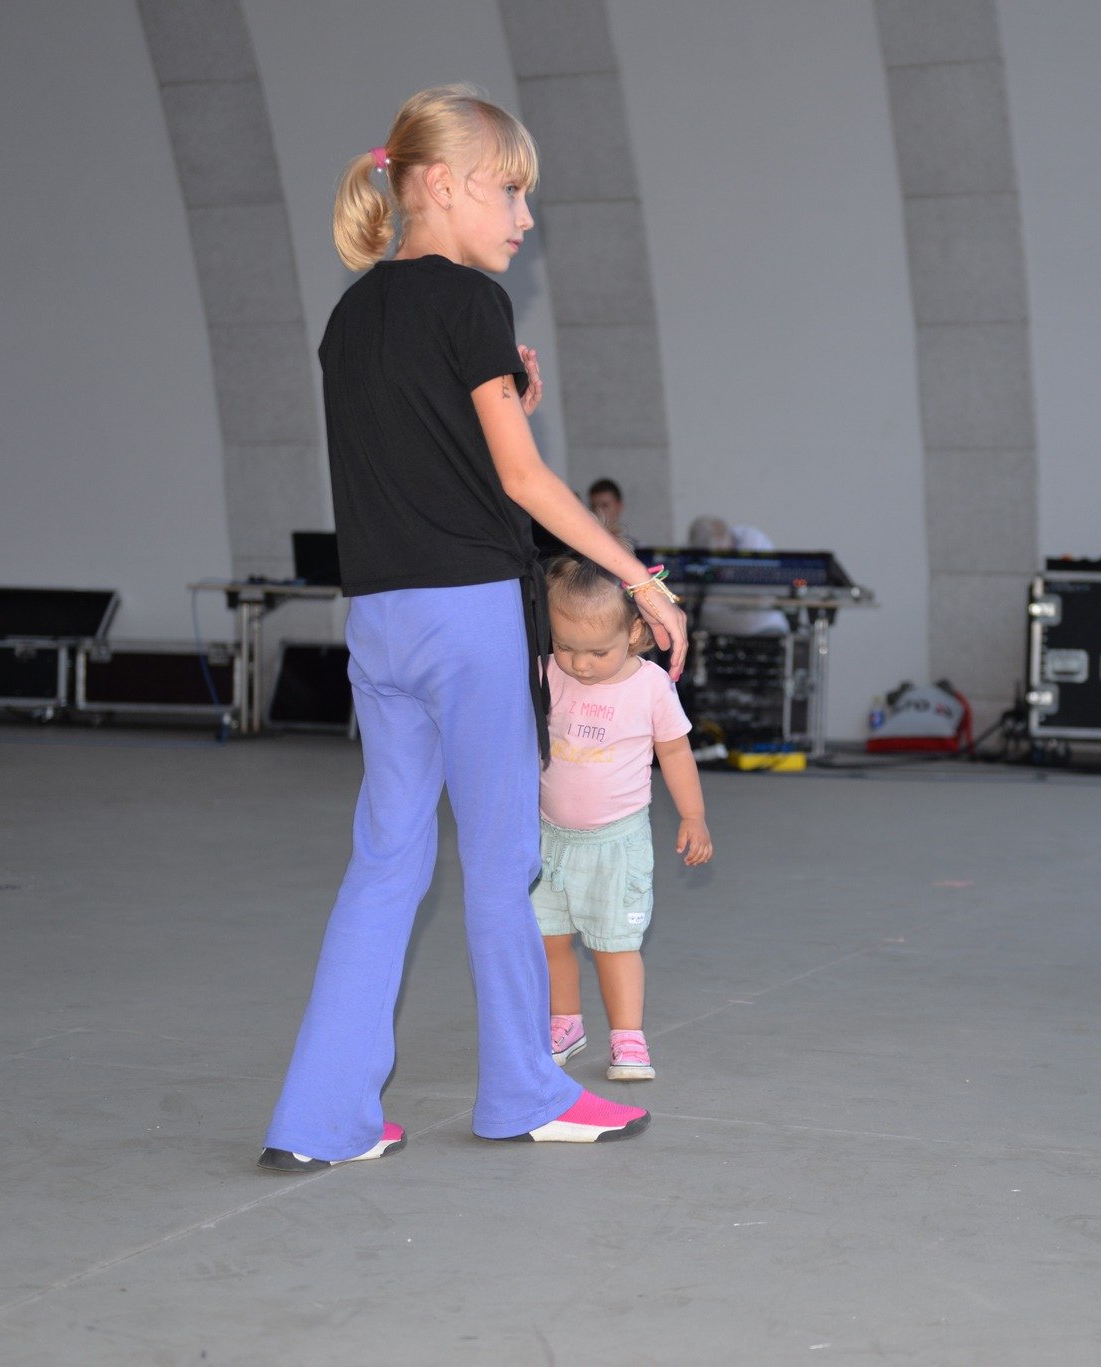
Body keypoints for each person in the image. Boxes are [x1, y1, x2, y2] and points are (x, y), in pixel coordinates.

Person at [258, 84, 692, 1170]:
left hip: (379, 624)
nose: (524, 218)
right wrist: (638, 577)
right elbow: (522, 481)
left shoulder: (352, 315)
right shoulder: (470, 302)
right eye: (510, 192)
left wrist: (501, 403)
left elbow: (427, 458)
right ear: (444, 185)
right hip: (467, 621)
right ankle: (522, 1091)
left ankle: (320, 1117)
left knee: (385, 862)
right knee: (504, 865)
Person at [533, 552, 714, 1082]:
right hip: (548, 838)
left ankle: (628, 1037)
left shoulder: (650, 686)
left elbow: (674, 752)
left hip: (617, 843)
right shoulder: (547, 673)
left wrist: (693, 816)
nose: (580, 664)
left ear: (634, 633)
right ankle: (564, 1023)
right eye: (566, 646)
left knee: (615, 945)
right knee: (548, 939)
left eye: (597, 652)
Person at [685, 514, 789, 636]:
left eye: (721, 553)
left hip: (762, 622)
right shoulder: (695, 554)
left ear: (722, 531)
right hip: (716, 625)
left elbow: (765, 594)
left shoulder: (754, 541)